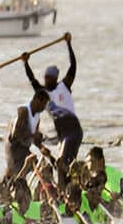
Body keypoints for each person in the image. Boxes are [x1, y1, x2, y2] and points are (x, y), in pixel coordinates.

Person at [23, 32, 83, 167]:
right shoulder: (43, 94)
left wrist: (68, 44)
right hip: (62, 136)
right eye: (46, 77)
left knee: (63, 164)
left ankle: (72, 185)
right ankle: (69, 185)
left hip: (73, 131)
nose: (47, 80)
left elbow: (73, 66)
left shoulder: (64, 86)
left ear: (56, 78)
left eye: (49, 78)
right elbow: (32, 80)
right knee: (61, 165)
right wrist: (26, 63)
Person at [5, 89, 50, 181]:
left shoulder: (37, 118)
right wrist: (33, 135)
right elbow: (16, 134)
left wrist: (41, 147)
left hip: (24, 147)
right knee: (16, 174)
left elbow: (34, 139)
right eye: (44, 104)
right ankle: (8, 187)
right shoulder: (24, 111)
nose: (44, 108)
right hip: (14, 147)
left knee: (37, 166)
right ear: (37, 100)